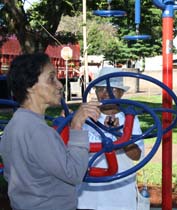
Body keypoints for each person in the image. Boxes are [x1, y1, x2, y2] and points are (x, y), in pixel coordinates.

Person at [0, 53, 101, 210]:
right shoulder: (37, 130)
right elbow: (75, 173)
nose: (60, 85)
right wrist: (76, 128)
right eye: (51, 79)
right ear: (30, 86)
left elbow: (13, 175)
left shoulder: (14, 125)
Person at [77, 67, 144, 210]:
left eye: (111, 89)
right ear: (95, 91)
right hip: (87, 196)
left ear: (121, 94)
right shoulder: (84, 116)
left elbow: (136, 155)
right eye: (101, 88)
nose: (105, 93)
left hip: (119, 197)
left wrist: (122, 134)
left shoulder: (129, 118)